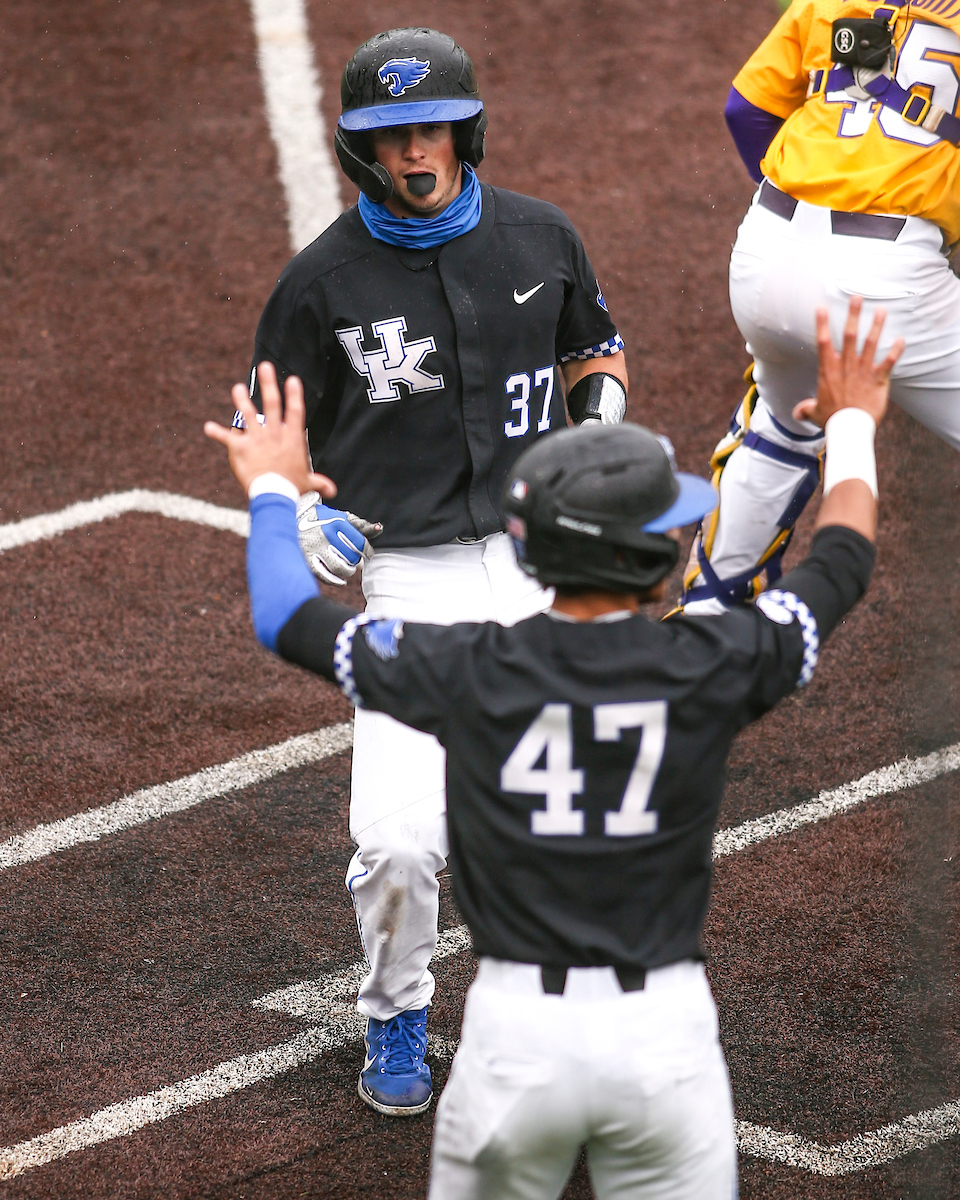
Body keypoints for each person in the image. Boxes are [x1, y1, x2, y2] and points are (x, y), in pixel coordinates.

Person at [205, 293, 902, 1197]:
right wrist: (852, 423)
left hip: (513, 1045)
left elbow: (284, 615)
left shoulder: (462, 665)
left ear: (531, 551)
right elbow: (842, 558)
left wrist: (272, 487)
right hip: (665, 1043)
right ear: (656, 560)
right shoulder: (718, 659)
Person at [238, 27, 629, 1114]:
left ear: (466, 131)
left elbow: (593, 346)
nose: (415, 154)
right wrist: (304, 520)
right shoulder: (319, 283)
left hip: (543, 570)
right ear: (359, 150)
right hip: (407, 586)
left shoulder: (542, 237)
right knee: (401, 844)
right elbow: (267, 428)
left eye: (431, 131)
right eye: (391, 138)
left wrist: (594, 425)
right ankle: (397, 1016)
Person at [682, 0, 960, 614]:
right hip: (886, 279)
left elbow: (746, 109)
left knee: (781, 423)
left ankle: (706, 617)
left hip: (763, 245)